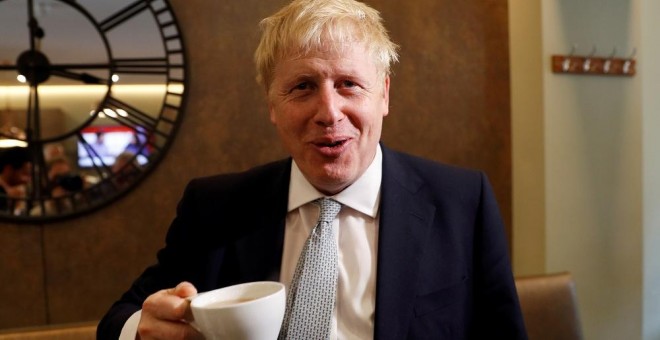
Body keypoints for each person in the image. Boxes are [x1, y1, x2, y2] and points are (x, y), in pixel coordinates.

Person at [98, 0, 527, 339]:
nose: (328, 112)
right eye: (303, 87)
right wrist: (142, 330)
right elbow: (120, 318)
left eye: (349, 84)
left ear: (384, 95)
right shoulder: (214, 207)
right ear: (272, 105)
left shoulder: (461, 202)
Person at [0, 146, 31, 215]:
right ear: (8, 170)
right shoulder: (2, 195)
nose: (27, 180)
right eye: (24, 174)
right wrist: (15, 206)